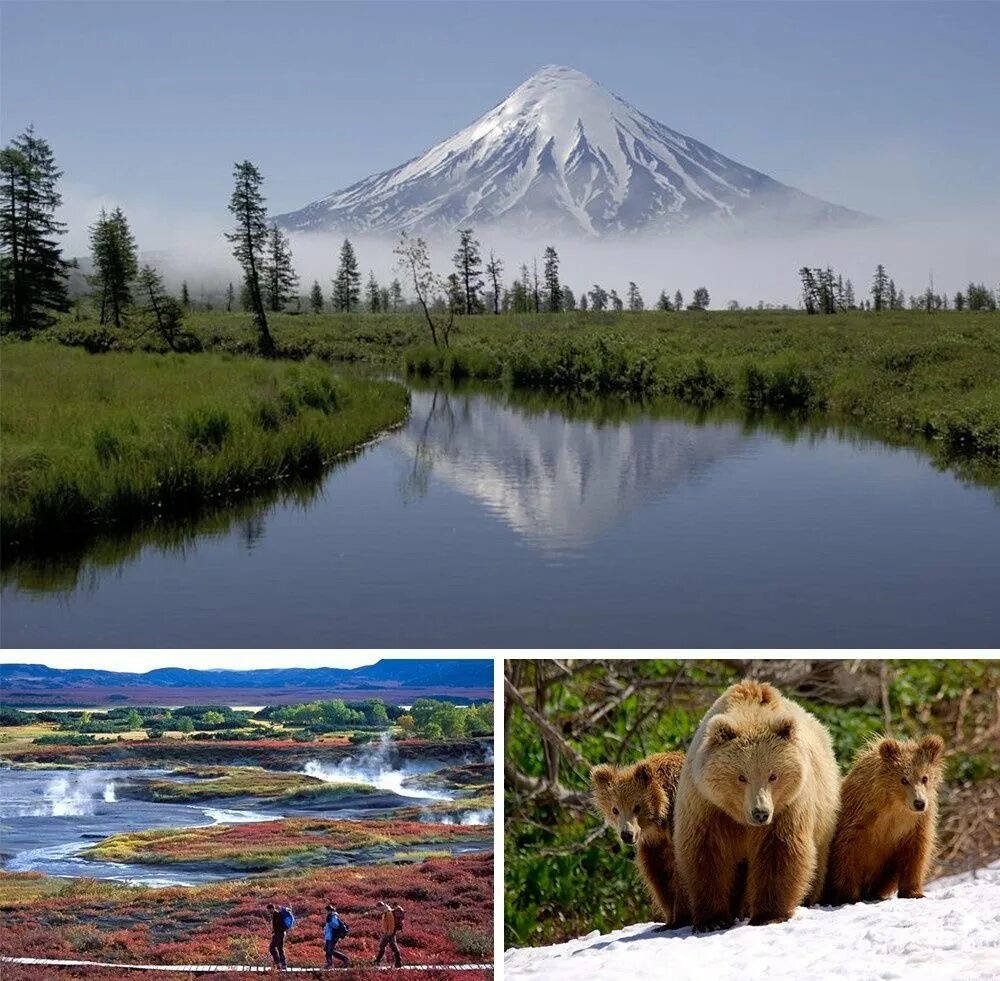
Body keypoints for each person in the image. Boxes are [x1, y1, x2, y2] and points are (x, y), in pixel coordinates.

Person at [373, 900, 402, 968]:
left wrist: (390, 933)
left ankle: (398, 961)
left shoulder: (388, 913)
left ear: (381, 907)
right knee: (382, 946)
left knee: (393, 947)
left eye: (378, 908)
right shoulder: (384, 912)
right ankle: (377, 961)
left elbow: (391, 924)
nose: (378, 909)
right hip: (386, 933)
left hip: (390, 933)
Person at [324, 904, 349, 968]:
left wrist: (330, 922)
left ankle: (345, 959)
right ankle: (329, 963)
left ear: (330, 910)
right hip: (329, 936)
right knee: (327, 949)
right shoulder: (330, 916)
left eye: (327, 910)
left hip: (332, 936)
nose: (326, 912)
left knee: (329, 950)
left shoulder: (333, 917)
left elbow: (336, 926)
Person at [265, 902, 287, 970]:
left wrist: (275, 932)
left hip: (279, 934)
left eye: (268, 910)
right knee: (280, 949)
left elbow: (278, 926)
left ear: (271, 909)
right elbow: (278, 925)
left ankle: (277, 963)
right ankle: (283, 964)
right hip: (281, 933)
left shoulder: (276, 915)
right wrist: (274, 931)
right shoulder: (277, 914)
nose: (268, 912)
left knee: (272, 948)